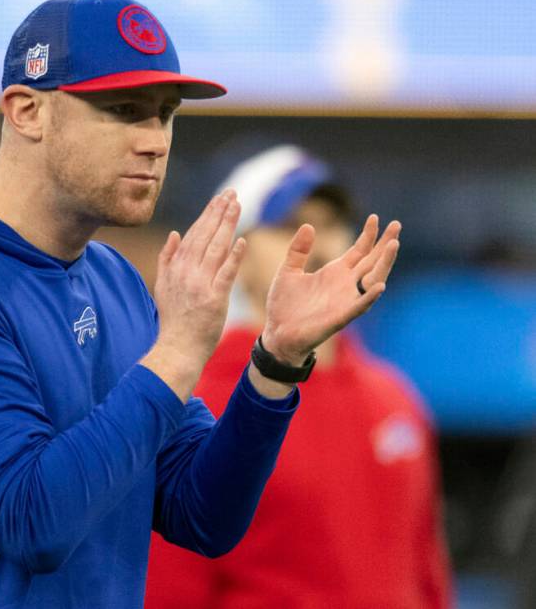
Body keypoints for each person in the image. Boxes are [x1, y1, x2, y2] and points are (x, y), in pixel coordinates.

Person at [0, 0, 401, 609]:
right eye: (124, 110)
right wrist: (178, 349)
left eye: (164, 113)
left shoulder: (110, 278)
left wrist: (274, 364)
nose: (155, 141)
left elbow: (202, 514)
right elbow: (31, 521)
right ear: (27, 109)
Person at [146, 144, 451, 608]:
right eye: (290, 227)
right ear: (237, 257)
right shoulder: (193, 401)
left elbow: (426, 571)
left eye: (330, 225)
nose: (321, 246)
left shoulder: (395, 398)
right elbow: (170, 588)